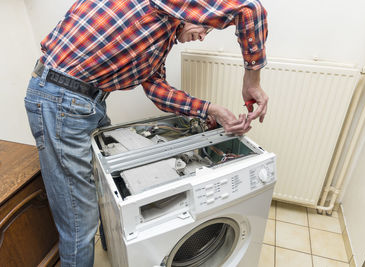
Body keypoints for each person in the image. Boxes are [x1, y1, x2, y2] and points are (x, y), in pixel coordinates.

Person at [24, 0, 269, 266]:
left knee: (102, 191)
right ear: (192, 11)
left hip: (84, 103)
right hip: (61, 99)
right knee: (78, 220)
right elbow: (249, 10)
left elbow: (158, 90)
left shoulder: (158, 37)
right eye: (205, 27)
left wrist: (211, 110)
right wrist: (252, 81)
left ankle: (111, 252)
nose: (201, 37)